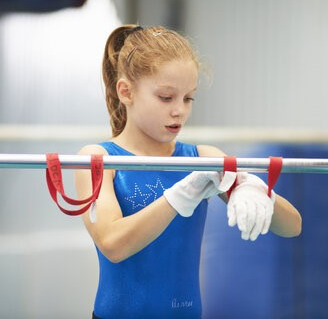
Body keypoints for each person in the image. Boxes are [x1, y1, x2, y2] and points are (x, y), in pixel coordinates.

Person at [74, 25, 302, 319]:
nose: (179, 110)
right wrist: (178, 197)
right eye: (166, 97)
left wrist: (253, 187)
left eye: (188, 98)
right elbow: (113, 244)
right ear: (126, 91)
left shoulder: (202, 158)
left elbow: (292, 226)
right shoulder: (99, 159)